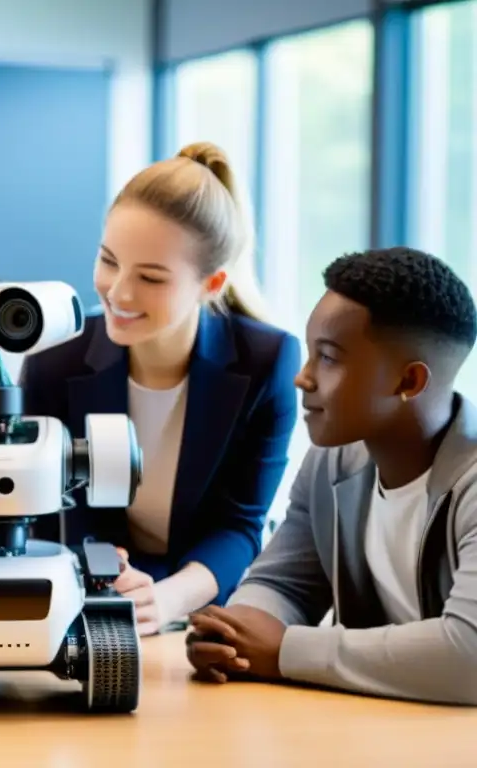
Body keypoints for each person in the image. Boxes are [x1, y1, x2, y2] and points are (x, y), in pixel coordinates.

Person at [18, 142, 300, 636]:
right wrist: (100, 573)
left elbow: (240, 525)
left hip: (204, 612)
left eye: (151, 277)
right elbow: (52, 514)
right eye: (109, 261)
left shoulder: (267, 364)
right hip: (84, 610)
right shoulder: (52, 362)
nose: (118, 292)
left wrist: (165, 598)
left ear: (211, 284)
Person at [186, 247, 477, 706]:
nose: (303, 378)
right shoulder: (332, 462)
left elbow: (469, 659)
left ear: (409, 383)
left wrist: (283, 651)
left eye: (329, 357)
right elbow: (283, 583)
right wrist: (233, 634)